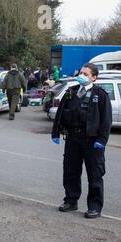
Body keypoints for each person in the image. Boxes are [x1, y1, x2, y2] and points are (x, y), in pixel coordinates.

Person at [52, 63, 112, 219]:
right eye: (81, 73)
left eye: (85, 74)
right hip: (73, 138)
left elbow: (106, 120)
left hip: (92, 141)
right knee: (70, 172)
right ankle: (71, 201)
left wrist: (102, 140)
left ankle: (94, 207)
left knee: (95, 174)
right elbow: (60, 113)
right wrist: (55, 133)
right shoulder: (71, 92)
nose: (82, 75)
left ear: (94, 77)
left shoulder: (100, 95)